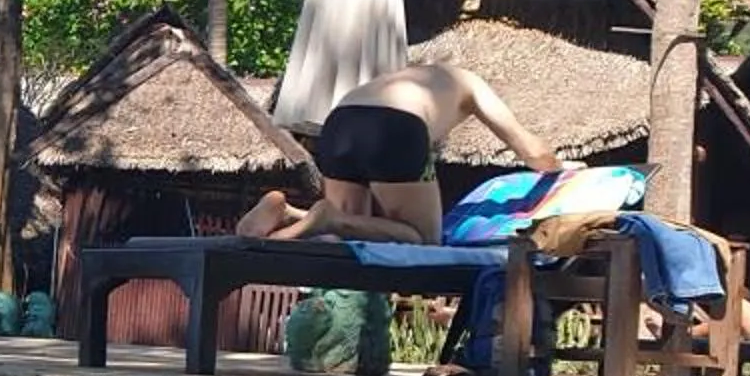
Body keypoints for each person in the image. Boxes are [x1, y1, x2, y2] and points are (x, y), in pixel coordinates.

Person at [235, 61, 563, 245]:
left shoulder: (411, 76)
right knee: (424, 241)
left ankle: (287, 211)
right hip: (395, 127)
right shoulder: (471, 82)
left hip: (341, 120)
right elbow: (529, 149)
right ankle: (325, 216)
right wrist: (560, 167)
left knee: (347, 233)